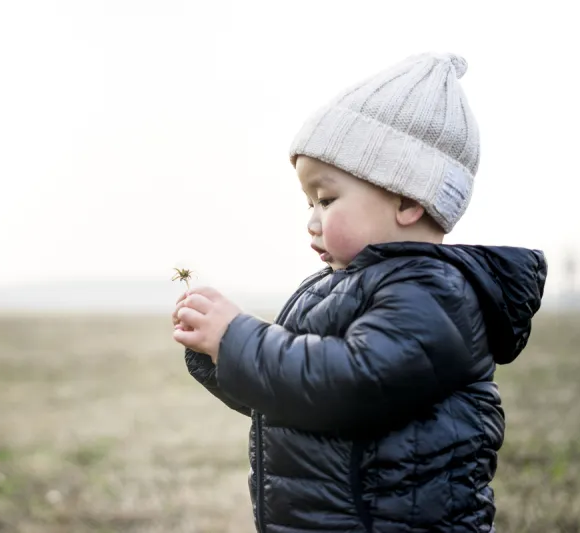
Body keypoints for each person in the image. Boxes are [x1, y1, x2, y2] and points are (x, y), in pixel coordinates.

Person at [171, 52, 547, 533]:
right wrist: (219, 354)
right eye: (308, 203)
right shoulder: (341, 290)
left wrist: (237, 339)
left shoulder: (433, 294)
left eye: (326, 200)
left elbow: (350, 383)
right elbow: (296, 396)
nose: (311, 221)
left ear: (409, 199)